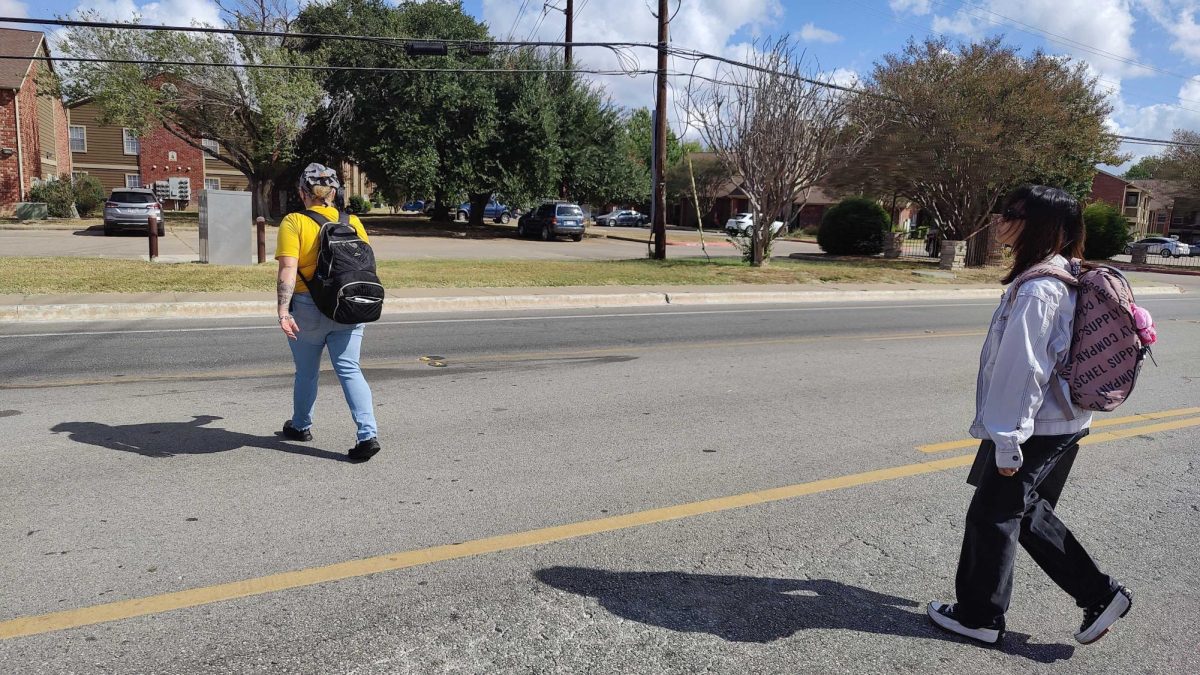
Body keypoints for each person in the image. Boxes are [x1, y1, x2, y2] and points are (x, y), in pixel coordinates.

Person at [927, 185, 1131, 646]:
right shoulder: (1059, 273)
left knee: (992, 515)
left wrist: (1006, 439)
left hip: (1037, 424)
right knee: (1018, 508)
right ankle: (1099, 594)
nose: (1001, 218)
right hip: (1063, 420)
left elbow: (1022, 371)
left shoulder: (1040, 288)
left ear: (1040, 224)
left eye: (1013, 212)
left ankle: (980, 616)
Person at [275, 163, 381, 462]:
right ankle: (367, 434)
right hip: (348, 305)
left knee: (307, 372)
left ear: (302, 192)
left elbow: (288, 268)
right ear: (333, 192)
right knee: (349, 369)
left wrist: (283, 310)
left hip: (307, 307)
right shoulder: (354, 221)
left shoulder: (294, 221)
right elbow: (365, 265)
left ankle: (300, 426)